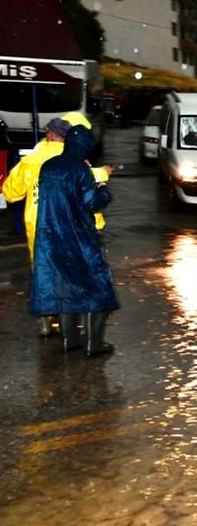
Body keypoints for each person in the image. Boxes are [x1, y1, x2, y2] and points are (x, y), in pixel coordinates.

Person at [2, 114, 112, 336]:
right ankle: (74, 326)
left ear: (49, 135)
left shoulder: (30, 161)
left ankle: (45, 321)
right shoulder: (78, 162)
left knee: (43, 272)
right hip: (74, 226)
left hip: (39, 225)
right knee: (76, 272)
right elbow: (87, 196)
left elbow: (10, 193)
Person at [29, 125, 119, 356]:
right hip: (79, 238)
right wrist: (102, 189)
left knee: (64, 288)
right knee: (98, 288)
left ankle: (70, 341)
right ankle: (94, 344)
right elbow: (92, 203)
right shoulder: (80, 171)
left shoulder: (48, 166)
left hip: (51, 238)